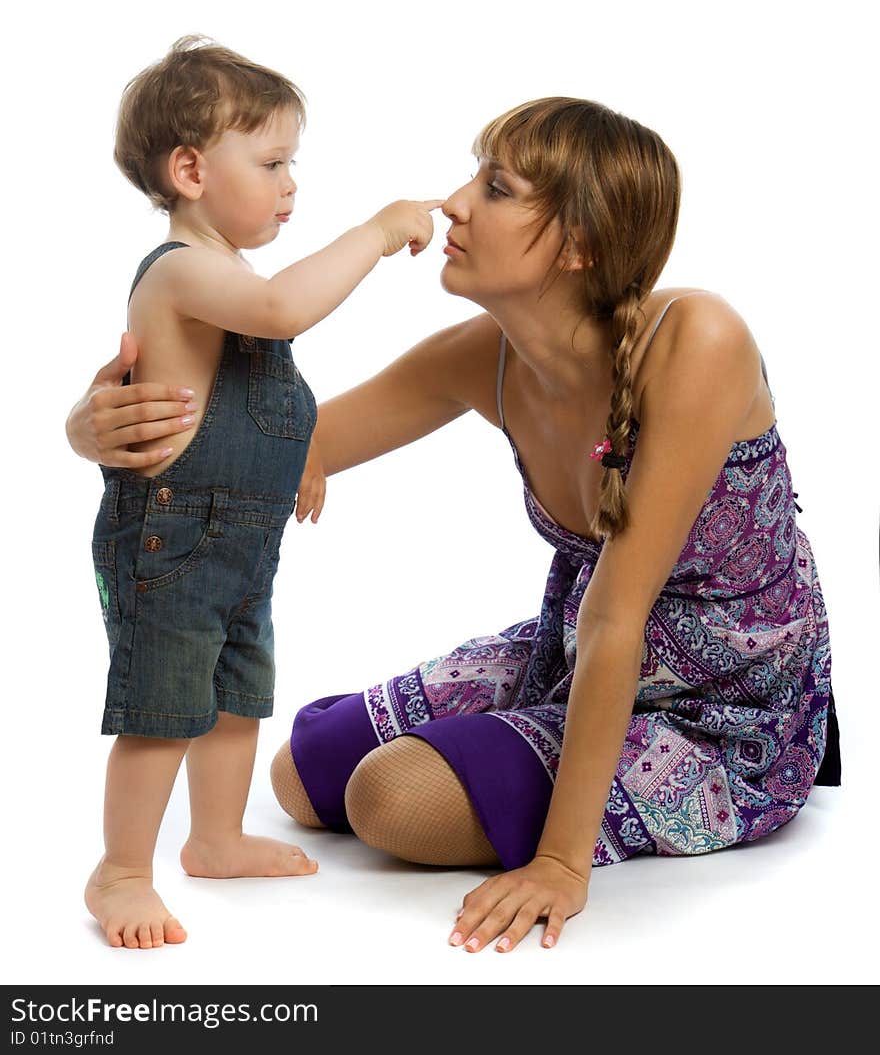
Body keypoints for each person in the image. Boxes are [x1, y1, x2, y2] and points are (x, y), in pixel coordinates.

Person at [68, 95, 840, 956]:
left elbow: (617, 618)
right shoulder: (485, 358)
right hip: (572, 653)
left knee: (388, 800)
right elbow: (281, 446)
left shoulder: (699, 338)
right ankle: (497, 749)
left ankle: (537, 778)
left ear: (580, 243)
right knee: (305, 770)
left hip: (723, 709)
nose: (455, 204)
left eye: (497, 188)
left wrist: (560, 863)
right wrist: (93, 429)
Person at [76, 35, 441, 950]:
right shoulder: (181, 271)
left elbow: (261, 394)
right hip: (170, 535)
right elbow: (283, 312)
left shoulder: (228, 275)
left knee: (239, 696)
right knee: (164, 710)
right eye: (272, 162)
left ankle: (217, 837)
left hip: (241, 542)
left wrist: (302, 459)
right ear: (191, 169)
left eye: (293, 165)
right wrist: (376, 229)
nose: (289, 185)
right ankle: (120, 871)